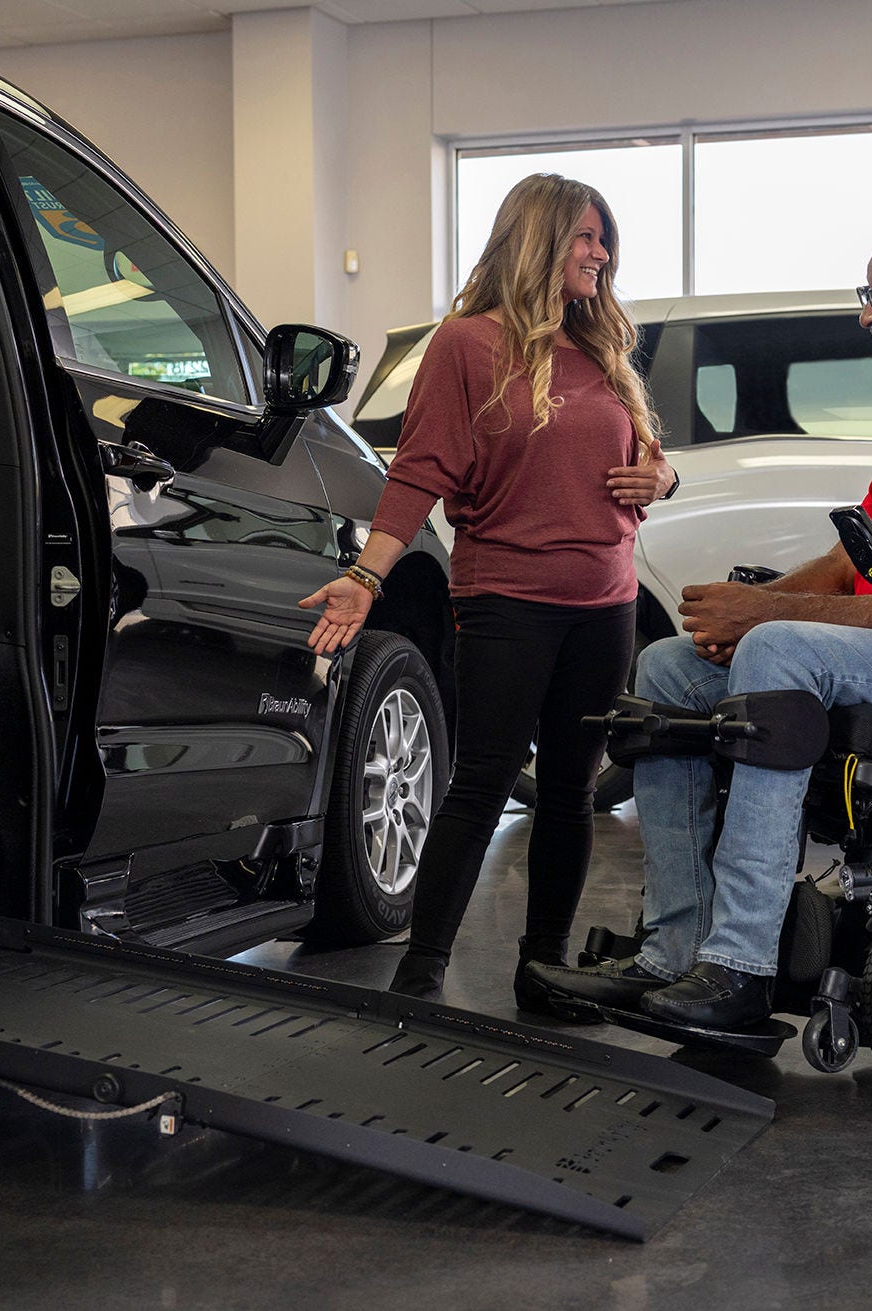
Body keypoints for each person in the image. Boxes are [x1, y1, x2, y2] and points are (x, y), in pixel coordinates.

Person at [529, 217, 872, 1031]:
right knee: (668, 671)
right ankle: (675, 952)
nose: (868, 315)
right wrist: (738, 613)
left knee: (780, 648)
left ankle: (740, 968)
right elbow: (848, 563)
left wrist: (767, 613)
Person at [298, 173, 676, 1009]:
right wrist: (368, 576)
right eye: (584, 237)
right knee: (479, 786)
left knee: (573, 793)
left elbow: (650, 461)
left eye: (604, 238)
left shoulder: (604, 347)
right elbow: (419, 471)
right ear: (538, 240)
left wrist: (664, 477)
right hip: (508, 598)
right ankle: (421, 972)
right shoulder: (466, 345)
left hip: (606, 604)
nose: (600, 254)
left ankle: (543, 969)